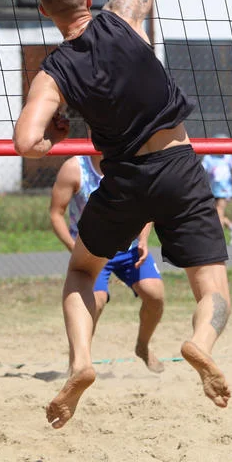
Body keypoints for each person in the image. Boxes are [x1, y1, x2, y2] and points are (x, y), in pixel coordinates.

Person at [14, 0, 231, 429]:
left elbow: (25, 143)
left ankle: (82, 362)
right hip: (178, 164)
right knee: (211, 284)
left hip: (124, 180)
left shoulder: (53, 71)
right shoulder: (123, 14)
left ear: (46, 13)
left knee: (83, 271)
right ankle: (198, 344)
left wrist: (58, 138)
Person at [49, 154, 166, 372]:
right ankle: (78, 364)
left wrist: (143, 239)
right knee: (96, 301)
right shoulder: (75, 168)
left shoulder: (130, 161)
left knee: (155, 295)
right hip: (91, 248)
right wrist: (74, 247)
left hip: (128, 247)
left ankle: (142, 346)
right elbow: (56, 213)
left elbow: (146, 206)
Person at [202, 145, 232, 246]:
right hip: (213, 190)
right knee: (214, 213)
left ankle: (219, 238)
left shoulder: (227, 157)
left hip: (224, 190)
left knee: (219, 211)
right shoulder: (208, 158)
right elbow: (202, 170)